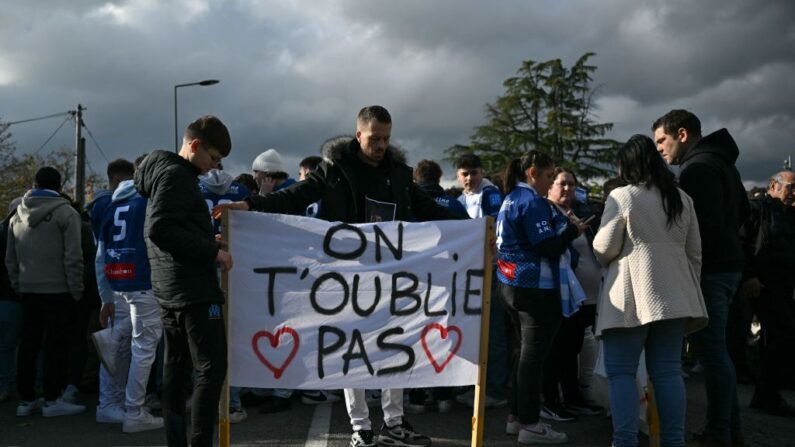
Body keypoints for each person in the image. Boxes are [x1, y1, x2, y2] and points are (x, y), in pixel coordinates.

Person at [213, 105, 457, 447]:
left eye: (387, 138)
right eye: (375, 138)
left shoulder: (401, 174)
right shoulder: (334, 170)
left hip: (390, 276)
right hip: (345, 278)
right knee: (349, 347)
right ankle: (361, 426)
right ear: (359, 135)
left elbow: (428, 209)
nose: (381, 145)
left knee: (395, 343)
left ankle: (394, 422)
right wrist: (250, 206)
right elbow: (294, 196)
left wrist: (473, 229)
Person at [593, 134, 708, 447]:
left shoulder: (623, 196)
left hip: (629, 297)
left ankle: (625, 441)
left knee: (621, 373)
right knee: (669, 372)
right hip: (674, 297)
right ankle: (673, 442)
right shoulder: (682, 198)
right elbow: (695, 252)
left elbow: (603, 248)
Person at [134, 115, 233, 447]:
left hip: (170, 288)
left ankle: (177, 442)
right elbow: (160, 228)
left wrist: (209, 242)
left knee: (176, 372)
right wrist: (211, 253)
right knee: (212, 369)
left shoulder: (163, 173)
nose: (213, 167)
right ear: (194, 146)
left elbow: (171, 226)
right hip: (193, 290)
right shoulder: (178, 175)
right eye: (213, 157)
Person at [653, 110, 749, 446]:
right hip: (730, 268)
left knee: (712, 354)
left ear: (682, 134)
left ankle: (720, 433)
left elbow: (696, 229)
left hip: (710, 270)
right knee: (718, 353)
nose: (659, 149)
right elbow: (744, 216)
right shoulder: (724, 164)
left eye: (662, 141)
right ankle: (729, 430)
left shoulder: (696, 169)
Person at [495, 150, 588, 445]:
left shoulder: (511, 197)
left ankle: (517, 417)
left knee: (523, 354)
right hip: (532, 286)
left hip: (510, 284)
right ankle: (531, 424)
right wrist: (572, 231)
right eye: (549, 177)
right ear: (533, 173)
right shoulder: (531, 201)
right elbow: (547, 246)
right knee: (533, 357)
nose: (551, 183)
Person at [5, 167, 86, 417]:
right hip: (59, 290)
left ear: (35, 183)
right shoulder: (66, 213)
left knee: (29, 344)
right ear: (60, 186)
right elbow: (73, 257)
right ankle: (52, 398)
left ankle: (26, 399)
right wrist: (76, 290)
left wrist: (19, 285)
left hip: (28, 289)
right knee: (55, 345)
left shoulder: (16, 215)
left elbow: (11, 258)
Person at [96, 166, 165, 433]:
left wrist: (105, 295)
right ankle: (134, 410)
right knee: (143, 347)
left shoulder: (112, 203)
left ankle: (110, 403)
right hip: (142, 280)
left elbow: (100, 254)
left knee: (120, 341)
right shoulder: (148, 201)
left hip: (117, 279)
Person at [540, 167, 603, 422]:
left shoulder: (579, 213)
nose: (567, 189)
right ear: (549, 187)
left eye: (571, 184)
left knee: (572, 349)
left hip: (588, 296)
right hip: (563, 295)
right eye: (561, 184)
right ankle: (551, 401)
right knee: (558, 350)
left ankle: (573, 397)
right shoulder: (546, 215)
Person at [454, 153, 509, 409]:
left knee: (494, 333)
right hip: (468, 273)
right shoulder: (459, 199)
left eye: (474, 172)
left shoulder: (490, 194)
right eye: (464, 173)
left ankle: (496, 389)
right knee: (471, 333)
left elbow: (493, 225)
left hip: (491, 272)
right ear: (457, 174)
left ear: (482, 172)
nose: (469, 178)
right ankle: (475, 386)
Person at [739, 170, 795, 417]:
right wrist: (749, 275)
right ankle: (766, 394)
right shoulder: (757, 208)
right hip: (759, 283)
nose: (793, 193)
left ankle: (769, 390)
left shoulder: (789, 213)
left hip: (781, 285)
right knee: (773, 337)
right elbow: (743, 242)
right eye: (790, 188)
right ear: (773, 185)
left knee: (779, 337)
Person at [0, 199, 22, 403]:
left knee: (5, 345)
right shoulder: (27, 231)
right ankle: (35, 385)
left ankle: (5, 386)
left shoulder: (1, 231)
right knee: (34, 343)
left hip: (4, 298)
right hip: (26, 294)